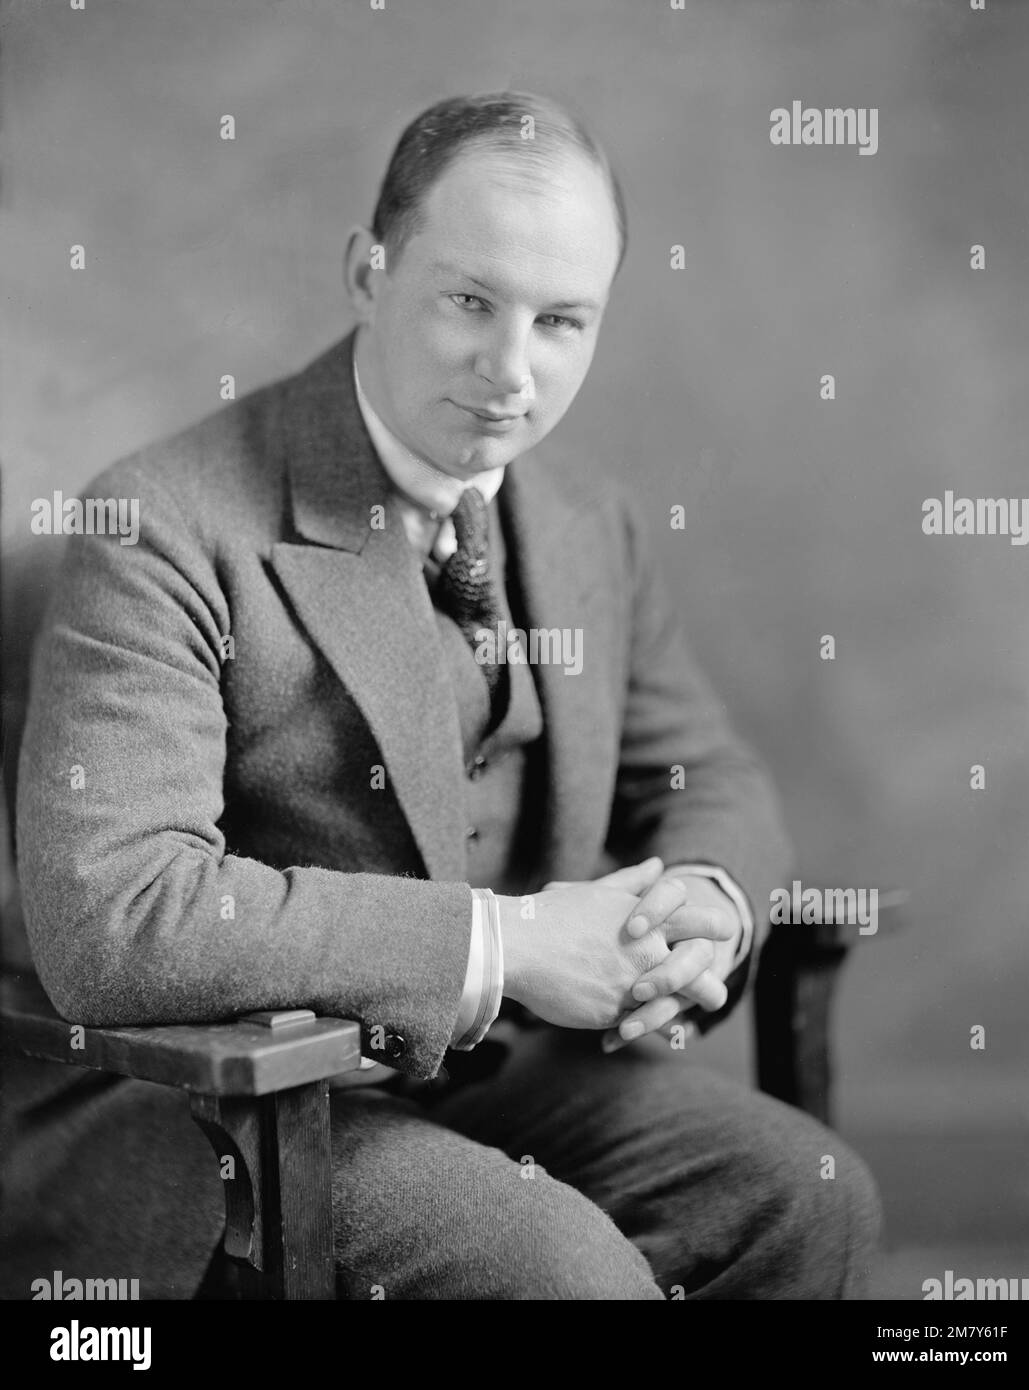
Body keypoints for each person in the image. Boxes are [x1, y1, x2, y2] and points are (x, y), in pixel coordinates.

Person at [5, 91, 880, 1299]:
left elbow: (704, 770)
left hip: (493, 1073)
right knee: (563, 1277)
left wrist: (700, 908)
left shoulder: (588, 524)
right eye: (469, 301)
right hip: (230, 1106)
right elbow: (119, 918)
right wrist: (513, 944)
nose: (511, 374)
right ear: (368, 271)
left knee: (802, 1198)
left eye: (563, 320)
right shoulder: (163, 524)